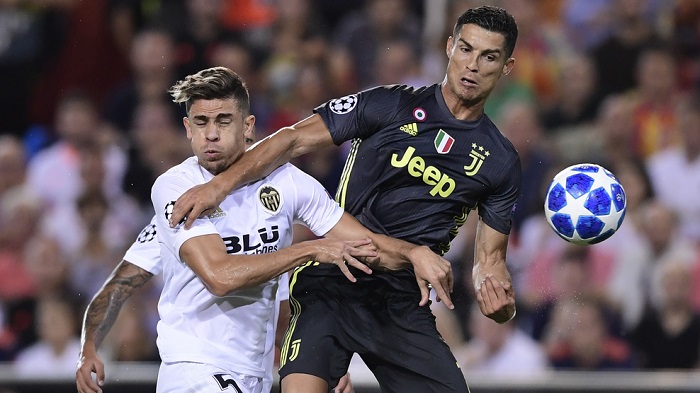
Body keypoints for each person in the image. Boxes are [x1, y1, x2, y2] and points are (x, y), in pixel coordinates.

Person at [169, 5, 520, 392]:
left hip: (402, 301)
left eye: (489, 57)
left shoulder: (501, 162)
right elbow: (292, 138)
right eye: (467, 49)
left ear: (506, 66)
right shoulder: (389, 104)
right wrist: (216, 187)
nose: (472, 66)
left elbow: (490, 265)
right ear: (450, 47)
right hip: (332, 278)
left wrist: (502, 307)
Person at [76, 124, 356, 393]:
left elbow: (282, 311)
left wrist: (322, 361)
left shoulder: (281, 194)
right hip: (196, 365)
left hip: (252, 372)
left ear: (248, 130)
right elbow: (119, 284)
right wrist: (88, 347)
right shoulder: (181, 208)